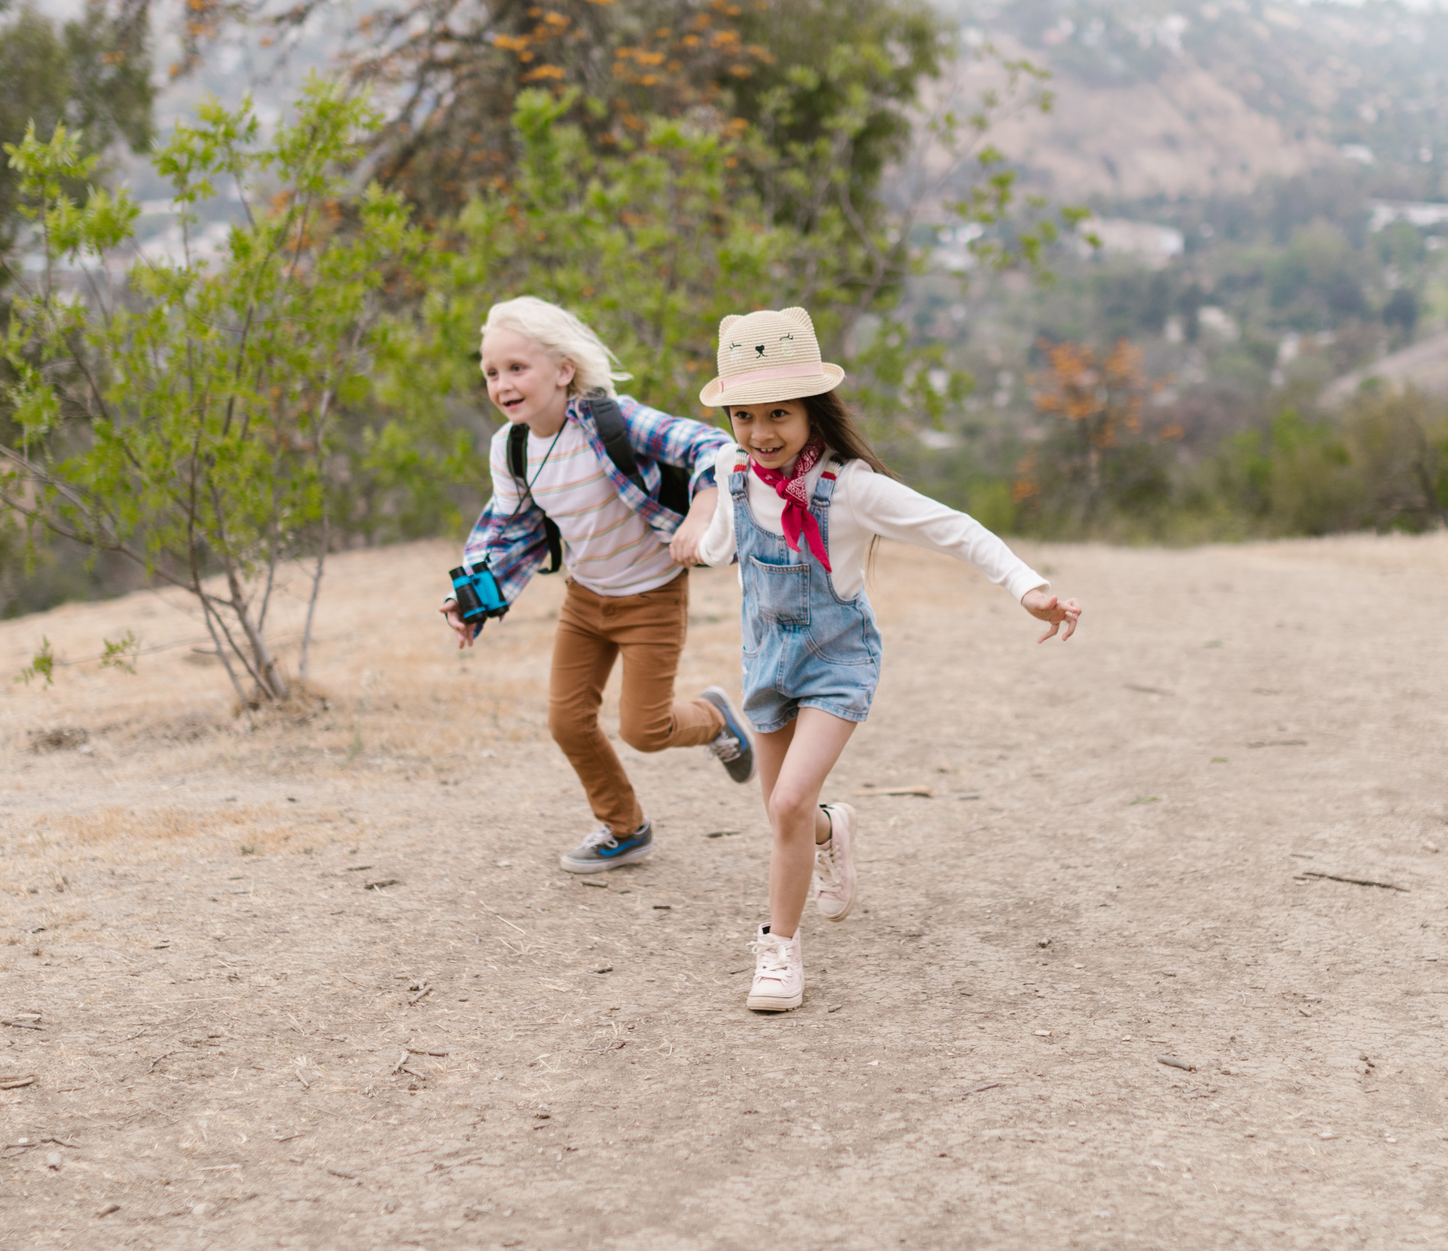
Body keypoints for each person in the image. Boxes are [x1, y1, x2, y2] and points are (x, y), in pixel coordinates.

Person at [680, 306, 1083, 1012]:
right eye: (744, 416)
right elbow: (723, 545)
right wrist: (698, 543)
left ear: (813, 411)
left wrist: (1028, 588)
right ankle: (832, 831)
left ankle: (779, 950)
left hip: (836, 662)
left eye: (778, 414)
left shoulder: (852, 489)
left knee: (788, 801)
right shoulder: (730, 469)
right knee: (783, 814)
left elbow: (954, 529)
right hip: (766, 659)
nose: (760, 433)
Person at [439, 297, 757, 873]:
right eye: (491, 372)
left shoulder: (612, 422)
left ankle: (714, 718)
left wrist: (703, 508)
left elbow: (712, 446)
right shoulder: (511, 449)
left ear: (564, 370)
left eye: (517, 368)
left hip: (652, 596)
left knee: (646, 729)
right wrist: (471, 602)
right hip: (585, 601)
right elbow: (507, 532)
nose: (502, 384)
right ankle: (625, 828)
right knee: (566, 722)